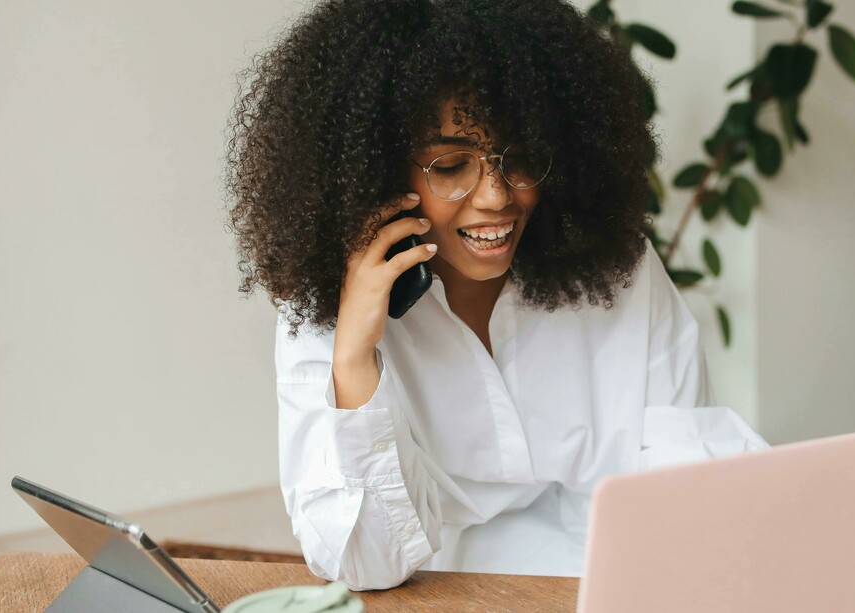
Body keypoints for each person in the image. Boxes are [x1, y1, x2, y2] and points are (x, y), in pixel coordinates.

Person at [225, 0, 767, 591]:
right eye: (452, 163)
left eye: (522, 157)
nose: (496, 196)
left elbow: (687, 502)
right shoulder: (333, 304)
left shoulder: (620, 270)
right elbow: (366, 566)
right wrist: (355, 358)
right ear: (375, 171)